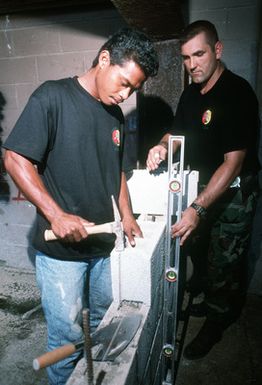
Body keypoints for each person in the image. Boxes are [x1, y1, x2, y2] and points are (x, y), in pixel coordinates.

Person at [3, 27, 159, 384]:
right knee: (67, 339)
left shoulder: (114, 116)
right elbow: (15, 159)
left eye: (133, 89)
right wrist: (55, 214)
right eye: (123, 83)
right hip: (61, 258)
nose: (125, 94)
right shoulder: (52, 97)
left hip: (103, 249)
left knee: (105, 324)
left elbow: (117, 170)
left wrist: (128, 214)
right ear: (104, 59)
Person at [147, 20, 260, 360]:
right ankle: (209, 295)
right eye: (185, 57)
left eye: (199, 54)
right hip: (202, 188)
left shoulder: (237, 93)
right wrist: (162, 147)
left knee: (225, 261)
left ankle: (217, 319)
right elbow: (175, 132)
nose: (192, 65)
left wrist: (197, 210)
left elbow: (234, 163)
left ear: (217, 50)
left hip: (233, 192)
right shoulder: (190, 93)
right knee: (200, 249)